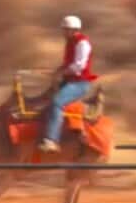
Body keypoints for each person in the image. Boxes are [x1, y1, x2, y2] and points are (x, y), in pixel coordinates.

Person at [40, 15, 98, 154]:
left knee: (56, 103)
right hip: (70, 81)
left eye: (66, 30)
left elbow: (79, 66)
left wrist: (62, 72)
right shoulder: (70, 42)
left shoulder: (82, 43)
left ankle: (51, 140)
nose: (64, 33)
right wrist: (56, 71)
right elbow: (68, 64)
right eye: (64, 30)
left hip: (80, 83)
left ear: (74, 30)